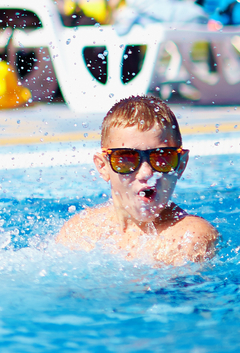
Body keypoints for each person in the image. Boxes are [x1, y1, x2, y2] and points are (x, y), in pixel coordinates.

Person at [56, 94, 218, 265]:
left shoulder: (189, 236)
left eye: (162, 158)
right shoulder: (79, 232)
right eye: (126, 159)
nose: (146, 173)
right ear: (103, 167)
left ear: (181, 164)